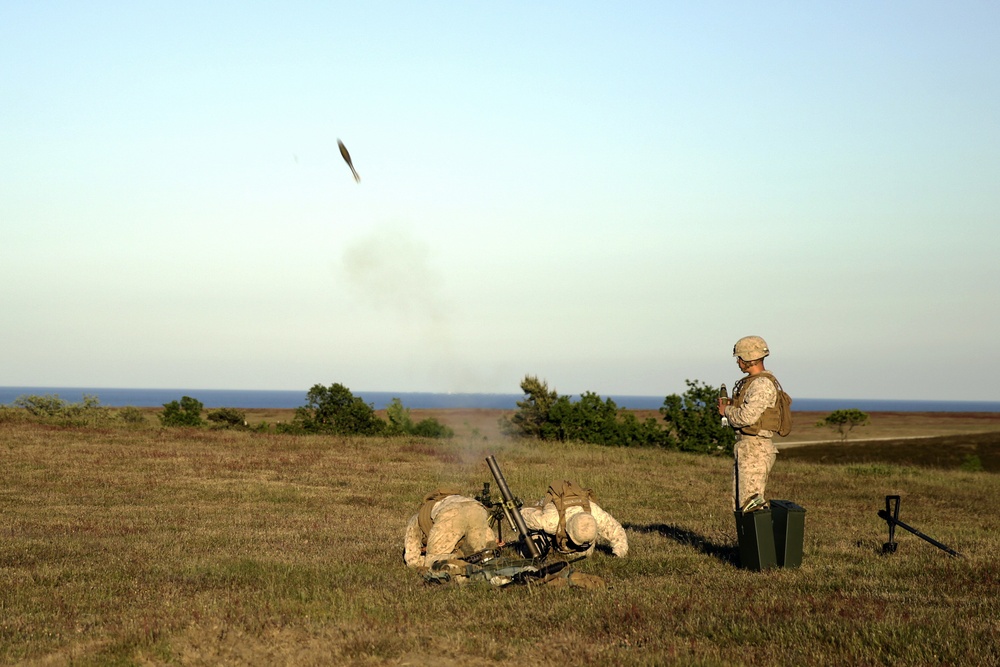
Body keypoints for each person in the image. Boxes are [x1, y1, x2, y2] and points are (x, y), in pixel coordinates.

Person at [718, 335, 782, 512]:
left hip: (755, 448)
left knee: (752, 506)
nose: (738, 362)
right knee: (741, 505)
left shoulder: (761, 384)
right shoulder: (754, 383)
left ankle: (760, 540)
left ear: (748, 358)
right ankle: (747, 540)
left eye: (740, 358)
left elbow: (746, 417)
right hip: (748, 446)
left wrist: (726, 411)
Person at [519, 480, 628, 558]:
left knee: (584, 554)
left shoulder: (595, 513)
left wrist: (618, 553)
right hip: (551, 512)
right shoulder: (550, 521)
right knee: (532, 550)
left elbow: (616, 530)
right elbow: (522, 516)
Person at [403, 489, 498, 570]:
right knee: (486, 555)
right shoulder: (455, 500)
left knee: (433, 562)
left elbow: (412, 561)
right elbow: (490, 542)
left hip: (451, 512)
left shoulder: (416, 519)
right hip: (477, 508)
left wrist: (425, 558)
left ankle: (461, 567)